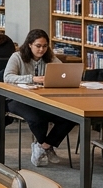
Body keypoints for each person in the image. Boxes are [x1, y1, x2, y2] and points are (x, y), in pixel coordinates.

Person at [4, 29, 77, 167]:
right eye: (38, 46)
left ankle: (43, 146)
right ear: (30, 44)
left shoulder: (50, 58)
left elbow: (63, 73)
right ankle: (45, 146)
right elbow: (7, 77)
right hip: (17, 99)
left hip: (42, 99)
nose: (42, 49)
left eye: (45, 46)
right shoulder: (17, 57)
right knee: (37, 119)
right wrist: (32, 79)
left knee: (70, 117)